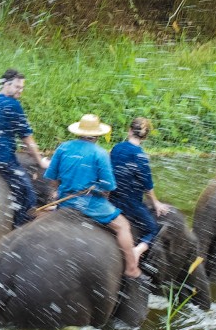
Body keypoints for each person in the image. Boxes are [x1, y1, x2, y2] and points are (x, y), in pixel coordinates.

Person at [43, 113, 146, 284]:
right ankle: (131, 268)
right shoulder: (100, 153)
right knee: (123, 226)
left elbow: (52, 178)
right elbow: (109, 186)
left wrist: (56, 192)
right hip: (89, 203)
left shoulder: (63, 147)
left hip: (64, 200)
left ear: (78, 132)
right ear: (97, 134)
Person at [0, 69, 42, 224]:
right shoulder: (13, 105)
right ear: (6, 84)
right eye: (18, 87)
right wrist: (40, 160)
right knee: (27, 192)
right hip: (2, 158)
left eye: (22, 87)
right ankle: (20, 225)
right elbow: (26, 137)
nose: (21, 90)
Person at [108, 117, 172, 245]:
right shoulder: (140, 155)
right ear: (145, 137)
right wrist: (156, 203)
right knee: (153, 230)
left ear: (129, 131)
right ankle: (137, 252)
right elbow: (147, 185)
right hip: (130, 205)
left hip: (112, 199)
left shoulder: (116, 148)